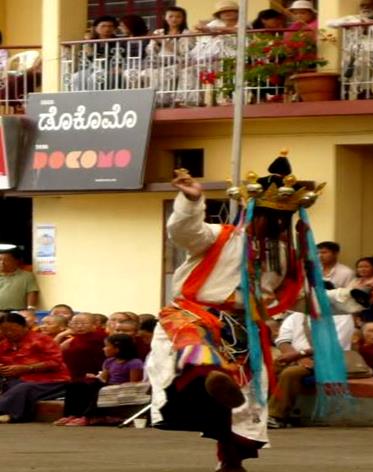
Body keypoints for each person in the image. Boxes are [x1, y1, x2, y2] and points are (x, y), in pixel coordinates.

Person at [149, 153, 360, 472]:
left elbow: (304, 297)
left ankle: (231, 459)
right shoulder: (219, 237)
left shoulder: (284, 257)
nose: (275, 225)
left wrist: (352, 297)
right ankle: (209, 377)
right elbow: (183, 233)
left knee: (246, 402)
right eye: (269, 217)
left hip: (246, 329)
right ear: (252, 213)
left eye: (282, 220)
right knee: (196, 354)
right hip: (196, 315)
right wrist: (191, 201)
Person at [269, 310, 355, 428]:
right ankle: (259, 412)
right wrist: (297, 357)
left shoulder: (342, 316)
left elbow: (333, 345)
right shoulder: (295, 316)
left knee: (291, 373)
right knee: (266, 369)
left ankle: (276, 417)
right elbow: (282, 341)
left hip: (328, 360)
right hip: (296, 357)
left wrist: (300, 354)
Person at [59, 334, 144, 426]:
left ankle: (87, 417)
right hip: (108, 386)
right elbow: (103, 378)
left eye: (107, 346)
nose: (104, 349)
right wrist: (94, 377)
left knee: (97, 388)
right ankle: (72, 414)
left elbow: (134, 383)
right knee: (75, 386)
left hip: (122, 388)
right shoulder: (109, 361)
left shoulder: (134, 363)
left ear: (117, 349)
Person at [0, 312, 70, 423]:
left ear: (25, 327)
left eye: (13, 329)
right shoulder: (4, 345)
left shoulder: (42, 340)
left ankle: (12, 415)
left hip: (51, 380)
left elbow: (55, 362)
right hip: (17, 380)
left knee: (22, 388)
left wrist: (27, 368)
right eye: (4, 330)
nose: (9, 333)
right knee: (15, 386)